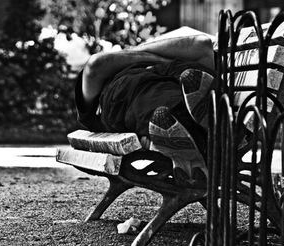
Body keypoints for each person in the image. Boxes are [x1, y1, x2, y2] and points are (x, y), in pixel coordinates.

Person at [74, 33, 216, 186]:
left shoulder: (103, 99)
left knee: (157, 102)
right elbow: (201, 44)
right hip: (175, 78)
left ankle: (192, 138)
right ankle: (202, 126)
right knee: (164, 100)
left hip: (144, 85)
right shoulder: (108, 95)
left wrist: (141, 55)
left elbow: (97, 64)